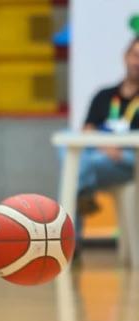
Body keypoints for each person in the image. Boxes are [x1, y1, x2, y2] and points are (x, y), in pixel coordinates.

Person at [77, 37, 139, 221]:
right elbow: (87, 129)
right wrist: (105, 147)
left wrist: (117, 152)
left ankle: (70, 239)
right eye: (135, 55)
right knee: (70, 152)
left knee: (74, 170)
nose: (138, 62)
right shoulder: (104, 95)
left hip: (130, 159)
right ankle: (84, 191)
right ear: (126, 57)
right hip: (100, 155)